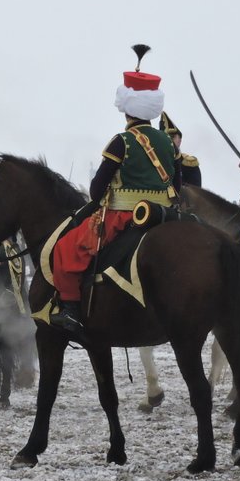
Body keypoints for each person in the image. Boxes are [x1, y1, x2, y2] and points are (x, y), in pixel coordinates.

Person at [50, 46, 176, 333]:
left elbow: (96, 191)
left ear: (127, 107)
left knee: (66, 250)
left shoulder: (122, 141)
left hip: (124, 215)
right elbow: (177, 183)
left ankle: (69, 308)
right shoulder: (168, 141)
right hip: (163, 214)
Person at [159, 111, 202, 188]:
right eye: (165, 137)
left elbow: (196, 195)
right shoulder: (154, 162)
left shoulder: (189, 165)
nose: (168, 140)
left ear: (179, 140)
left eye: (172, 137)